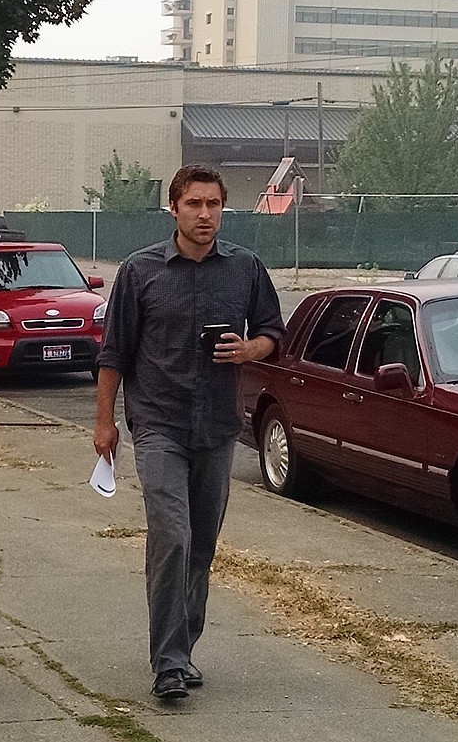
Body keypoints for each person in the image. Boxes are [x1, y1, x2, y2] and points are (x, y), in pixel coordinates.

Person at [93, 164, 286, 700]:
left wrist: (250, 349)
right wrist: (104, 421)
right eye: (195, 205)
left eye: (214, 205)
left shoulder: (245, 268)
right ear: (174, 209)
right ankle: (169, 662)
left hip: (218, 426)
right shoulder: (141, 271)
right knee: (172, 537)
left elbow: (273, 331)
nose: (205, 215)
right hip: (158, 423)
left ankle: (184, 648)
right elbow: (114, 353)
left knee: (201, 544)